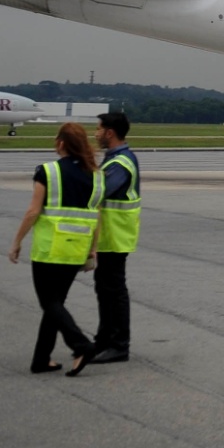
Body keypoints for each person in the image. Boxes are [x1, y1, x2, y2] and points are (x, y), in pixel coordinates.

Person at [8, 122, 104, 376]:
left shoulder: (47, 171)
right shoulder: (96, 174)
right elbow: (97, 215)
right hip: (77, 249)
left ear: (61, 143)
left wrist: (17, 241)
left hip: (50, 248)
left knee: (49, 302)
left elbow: (33, 211)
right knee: (56, 303)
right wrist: (92, 250)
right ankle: (41, 360)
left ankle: (81, 344)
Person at [89, 112, 140, 364]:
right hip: (109, 237)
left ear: (110, 132)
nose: (95, 134)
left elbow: (99, 192)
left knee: (113, 290)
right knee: (105, 288)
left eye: (98, 129)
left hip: (115, 236)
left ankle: (119, 344)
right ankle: (104, 339)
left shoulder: (120, 163)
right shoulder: (114, 160)